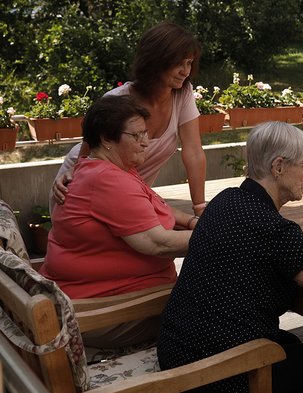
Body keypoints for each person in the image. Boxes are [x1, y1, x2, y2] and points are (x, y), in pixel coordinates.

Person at [157, 121, 303, 393]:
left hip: (178, 346)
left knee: (290, 342)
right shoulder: (271, 228)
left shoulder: (225, 200)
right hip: (210, 369)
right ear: (278, 166)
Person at [41, 95, 197, 348]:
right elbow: (158, 243)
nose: (146, 143)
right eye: (136, 136)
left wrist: (192, 222)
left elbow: (156, 206)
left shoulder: (108, 170)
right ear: (106, 139)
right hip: (103, 311)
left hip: (98, 300)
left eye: (146, 134)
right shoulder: (108, 180)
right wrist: (222, 233)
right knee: (223, 299)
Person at [51, 21, 207, 217]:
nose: (186, 71)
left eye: (190, 63)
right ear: (156, 60)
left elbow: (193, 151)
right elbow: (86, 157)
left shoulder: (183, 94)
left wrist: (200, 208)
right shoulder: (117, 100)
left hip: (131, 194)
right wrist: (73, 173)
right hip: (82, 185)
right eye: (179, 63)